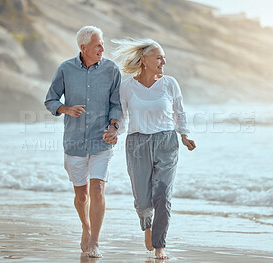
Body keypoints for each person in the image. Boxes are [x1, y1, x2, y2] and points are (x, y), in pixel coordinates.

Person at [111, 38, 196, 259]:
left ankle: (160, 246)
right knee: (142, 198)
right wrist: (114, 131)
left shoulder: (170, 83)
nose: (163, 62)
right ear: (144, 60)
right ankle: (147, 225)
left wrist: (184, 136)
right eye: (158, 57)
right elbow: (121, 116)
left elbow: (180, 112)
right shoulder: (127, 86)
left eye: (164, 58)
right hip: (137, 143)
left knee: (163, 195)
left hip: (166, 142)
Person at [44, 26, 122, 258]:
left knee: (97, 188)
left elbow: (116, 104)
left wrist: (114, 127)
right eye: (97, 45)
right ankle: (86, 227)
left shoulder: (111, 69)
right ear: (83, 48)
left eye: (102, 44)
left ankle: (95, 241)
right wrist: (66, 108)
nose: (102, 48)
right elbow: (50, 99)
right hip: (75, 141)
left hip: (102, 141)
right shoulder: (65, 69)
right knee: (82, 195)